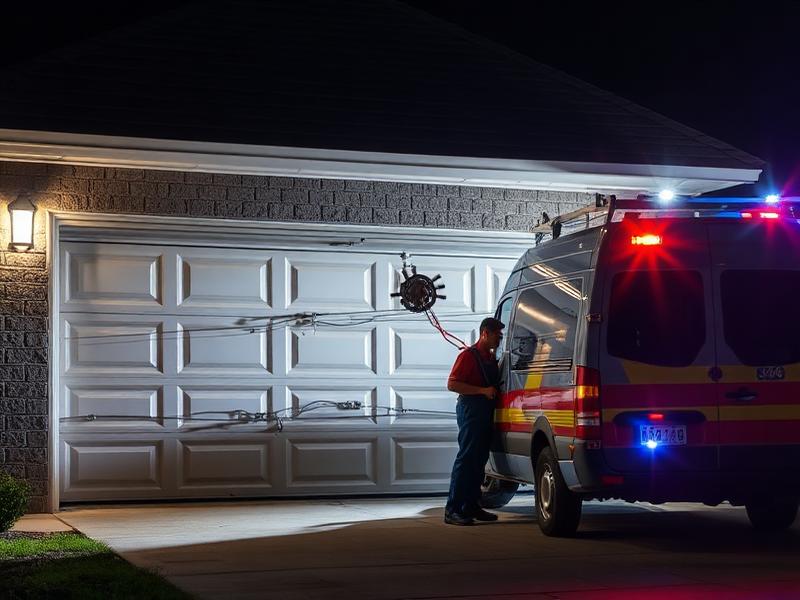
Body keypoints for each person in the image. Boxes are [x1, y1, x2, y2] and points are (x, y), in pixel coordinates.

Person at [444, 317, 505, 525]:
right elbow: (452, 384)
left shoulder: (490, 358)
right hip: (471, 410)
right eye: (497, 334)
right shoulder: (468, 357)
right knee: (467, 459)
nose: (500, 338)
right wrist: (482, 391)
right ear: (485, 333)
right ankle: (452, 509)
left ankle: (471, 505)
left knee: (479, 461)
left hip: (485, 412)